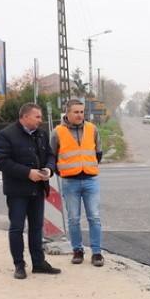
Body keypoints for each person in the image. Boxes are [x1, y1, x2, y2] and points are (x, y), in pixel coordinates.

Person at [0, 102, 61, 279]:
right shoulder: (6, 134)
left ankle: (38, 263)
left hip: (38, 189)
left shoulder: (40, 134)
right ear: (25, 117)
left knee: (36, 228)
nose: (40, 120)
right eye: (37, 117)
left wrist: (48, 169)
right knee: (16, 228)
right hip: (17, 191)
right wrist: (27, 173)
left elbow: (51, 155)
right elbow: (2, 161)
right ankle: (19, 265)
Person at [49, 99, 104, 267]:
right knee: (73, 219)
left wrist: (88, 167)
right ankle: (77, 251)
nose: (80, 115)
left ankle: (96, 253)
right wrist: (63, 172)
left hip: (90, 180)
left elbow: (98, 152)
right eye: (76, 112)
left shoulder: (92, 129)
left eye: (82, 112)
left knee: (94, 218)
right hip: (70, 182)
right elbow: (52, 156)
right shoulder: (57, 132)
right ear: (67, 113)